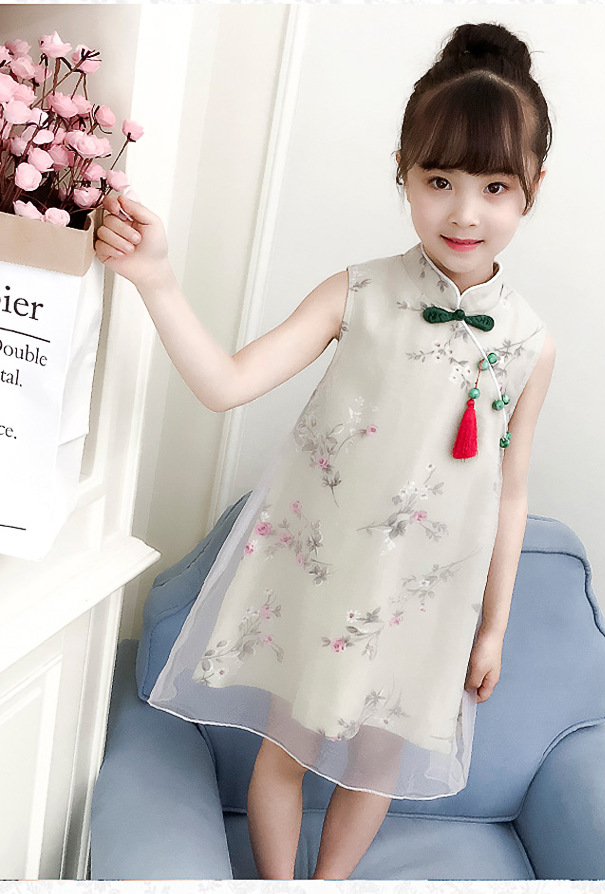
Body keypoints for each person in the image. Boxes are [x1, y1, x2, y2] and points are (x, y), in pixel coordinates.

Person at [94, 20, 556, 881]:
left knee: (375, 764)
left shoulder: (531, 343)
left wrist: (492, 627)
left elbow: (511, 491)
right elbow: (227, 383)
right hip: (328, 579)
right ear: (404, 175)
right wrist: (156, 277)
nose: (465, 211)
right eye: (439, 180)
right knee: (290, 748)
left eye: (495, 185)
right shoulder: (359, 292)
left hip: (429, 600)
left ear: (533, 187)